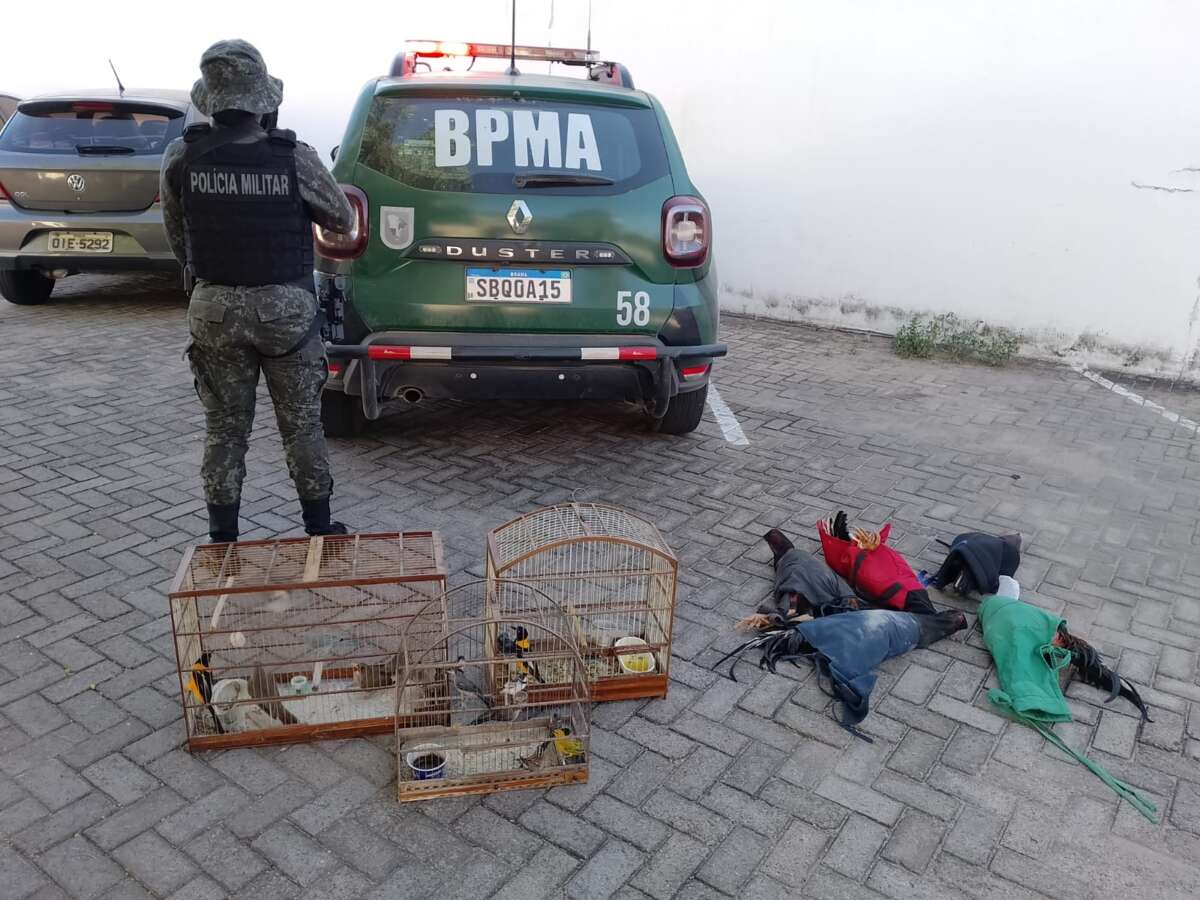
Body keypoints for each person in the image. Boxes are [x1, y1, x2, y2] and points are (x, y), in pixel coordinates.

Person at [160, 40, 354, 542]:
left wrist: (212, 279)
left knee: (225, 429)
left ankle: (222, 538)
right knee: (302, 427)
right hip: (285, 313)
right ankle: (319, 525)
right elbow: (342, 217)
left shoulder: (181, 155)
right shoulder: (296, 157)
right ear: (264, 100)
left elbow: (178, 237)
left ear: (213, 99)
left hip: (214, 311)